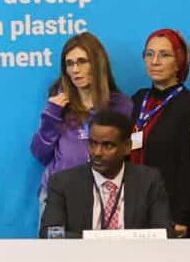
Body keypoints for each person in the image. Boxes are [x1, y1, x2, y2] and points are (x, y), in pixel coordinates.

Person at [37, 110, 170, 237]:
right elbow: (50, 233)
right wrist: (94, 241)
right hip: (82, 258)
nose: (97, 152)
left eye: (108, 145)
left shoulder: (148, 180)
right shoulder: (63, 183)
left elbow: (164, 231)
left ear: (127, 147)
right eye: (93, 144)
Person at [130, 30, 190, 237]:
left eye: (164, 55)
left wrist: (182, 216)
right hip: (133, 204)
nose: (155, 61)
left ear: (179, 61)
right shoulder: (137, 100)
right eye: (149, 54)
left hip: (168, 208)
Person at [31, 31, 130, 192]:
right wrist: (51, 117)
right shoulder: (58, 104)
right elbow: (40, 154)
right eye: (69, 64)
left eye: (82, 62)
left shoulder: (121, 105)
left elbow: (129, 155)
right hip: (59, 196)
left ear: (97, 64)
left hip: (104, 195)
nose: (75, 69)